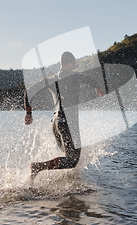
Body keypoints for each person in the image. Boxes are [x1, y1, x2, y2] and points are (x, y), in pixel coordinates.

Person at [24, 51, 105, 181]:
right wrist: (98, 87)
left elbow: (29, 92)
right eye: (73, 64)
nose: (73, 67)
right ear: (70, 64)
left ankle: (66, 179)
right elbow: (90, 79)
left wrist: (28, 113)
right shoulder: (74, 76)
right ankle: (38, 167)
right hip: (67, 123)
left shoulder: (50, 80)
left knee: (68, 156)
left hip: (56, 124)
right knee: (72, 161)